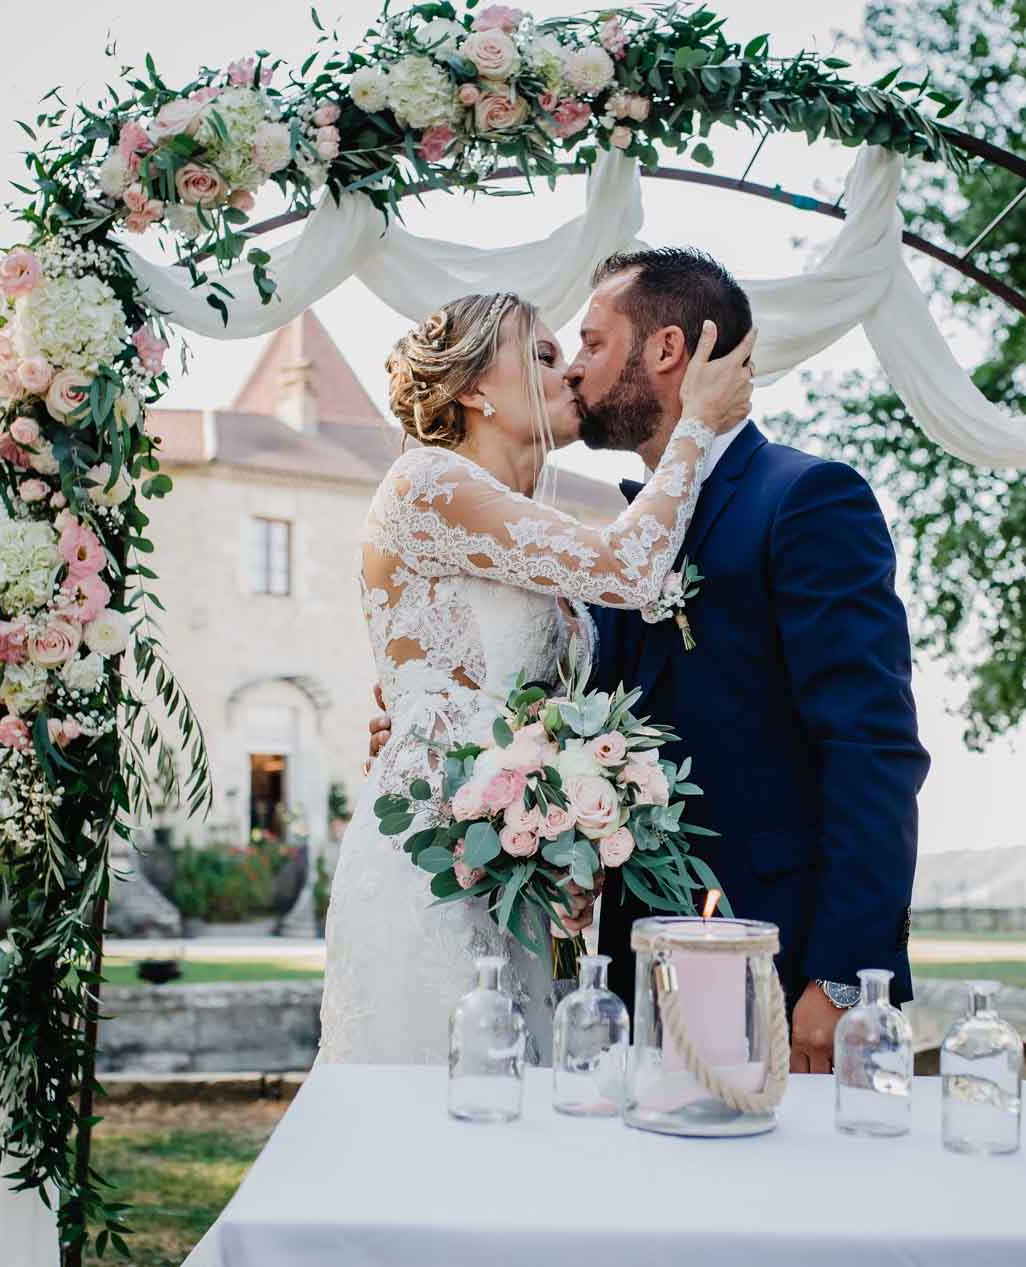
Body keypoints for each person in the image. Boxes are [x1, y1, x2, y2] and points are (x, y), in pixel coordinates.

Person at [370, 250, 929, 1074]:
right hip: (622, 961)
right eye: (554, 355)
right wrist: (434, 719)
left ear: (666, 351)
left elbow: (873, 746)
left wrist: (843, 976)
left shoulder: (806, 499)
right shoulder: (617, 534)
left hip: (781, 961)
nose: (574, 371)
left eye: (590, 345)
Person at [319, 290, 756, 1066]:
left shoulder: (529, 532)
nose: (572, 375)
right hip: (426, 874)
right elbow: (631, 566)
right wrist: (696, 421)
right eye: (545, 356)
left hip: (511, 880)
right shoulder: (426, 483)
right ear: (476, 390)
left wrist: (569, 835)